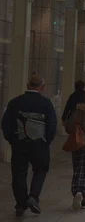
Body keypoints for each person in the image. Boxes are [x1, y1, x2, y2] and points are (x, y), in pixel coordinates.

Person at [1, 75, 57, 217]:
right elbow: (52, 125)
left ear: (27, 85)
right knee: (41, 169)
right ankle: (33, 196)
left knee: (19, 173)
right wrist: (47, 141)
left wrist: (12, 140)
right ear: (42, 87)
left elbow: (5, 124)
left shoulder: (15, 102)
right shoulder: (46, 103)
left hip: (19, 144)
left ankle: (20, 204)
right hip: (39, 144)